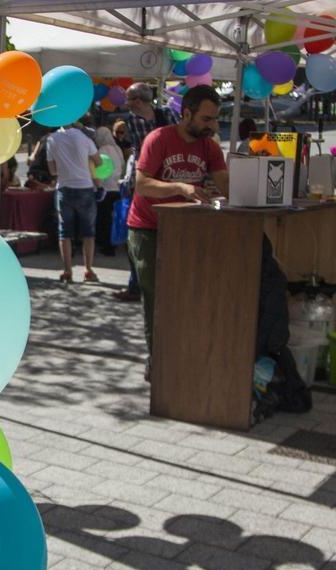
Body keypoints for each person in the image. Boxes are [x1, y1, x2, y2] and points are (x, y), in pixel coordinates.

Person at [128, 85, 229, 375]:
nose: (212, 126)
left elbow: (226, 183)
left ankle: (184, 355)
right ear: (186, 114)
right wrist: (181, 187)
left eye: (215, 119)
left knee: (186, 294)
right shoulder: (158, 139)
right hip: (148, 230)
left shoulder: (209, 146)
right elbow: (142, 184)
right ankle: (158, 361)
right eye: (207, 119)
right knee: (157, 297)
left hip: (186, 232)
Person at [117, 82, 180, 303]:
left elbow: (177, 143)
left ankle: (162, 283)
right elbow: (137, 150)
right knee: (136, 236)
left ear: (140, 100)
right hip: (141, 183)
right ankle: (136, 284)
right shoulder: (132, 121)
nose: (127, 103)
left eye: (130, 99)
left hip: (165, 182)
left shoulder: (167, 115)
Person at [46, 122, 102, 282]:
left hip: (64, 188)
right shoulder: (85, 137)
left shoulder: (52, 139)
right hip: (85, 187)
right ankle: (88, 270)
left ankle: (67, 270)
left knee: (64, 232)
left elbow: (52, 170)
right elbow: (99, 162)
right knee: (88, 232)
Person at [93, 126, 125, 257]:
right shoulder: (118, 149)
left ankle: (106, 246)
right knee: (114, 219)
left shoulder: (100, 150)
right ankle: (114, 243)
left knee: (104, 220)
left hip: (105, 189)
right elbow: (122, 166)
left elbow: (98, 170)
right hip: (117, 189)